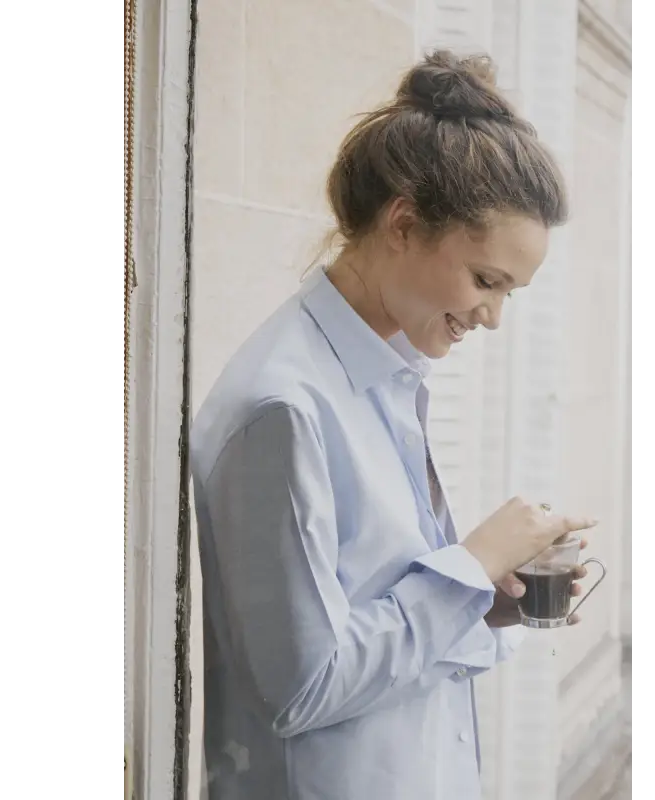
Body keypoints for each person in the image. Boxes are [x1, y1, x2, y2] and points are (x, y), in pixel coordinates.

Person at [190, 49, 597, 800]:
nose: (492, 316)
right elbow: (301, 687)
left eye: (508, 292)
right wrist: (470, 564)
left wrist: (483, 598)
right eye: (485, 280)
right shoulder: (284, 409)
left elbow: (370, 616)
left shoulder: (384, 377)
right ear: (403, 223)